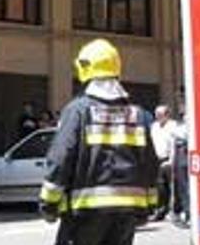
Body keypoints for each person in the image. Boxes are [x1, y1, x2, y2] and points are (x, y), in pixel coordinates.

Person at [39, 38, 158, 245]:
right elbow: (150, 164)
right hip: (126, 215)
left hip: (85, 214)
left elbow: (61, 159)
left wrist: (49, 203)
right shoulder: (138, 115)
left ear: (85, 68)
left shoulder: (78, 111)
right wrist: (149, 206)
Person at [150, 105, 177, 221]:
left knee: (172, 187)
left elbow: (174, 145)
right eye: (156, 114)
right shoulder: (154, 126)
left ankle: (173, 211)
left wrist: (171, 160)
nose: (157, 116)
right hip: (157, 159)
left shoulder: (172, 126)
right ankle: (161, 210)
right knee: (160, 188)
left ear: (167, 115)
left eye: (160, 114)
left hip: (169, 159)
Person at [171, 108, 190, 228]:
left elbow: (185, 137)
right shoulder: (178, 126)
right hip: (178, 157)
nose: (182, 116)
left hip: (184, 156)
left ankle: (188, 213)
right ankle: (182, 211)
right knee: (180, 188)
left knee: (186, 188)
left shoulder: (187, 126)